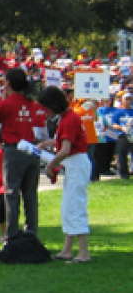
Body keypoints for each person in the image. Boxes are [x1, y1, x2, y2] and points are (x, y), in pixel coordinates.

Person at [37, 86, 92, 263]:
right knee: (69, 206)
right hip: (75, 163)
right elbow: (65, 140)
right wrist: (48, 143)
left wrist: (51, 165)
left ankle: (84, 252)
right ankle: (67, 249)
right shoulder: (68, 117)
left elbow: (65, 149)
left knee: (76, 206)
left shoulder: (68, 119)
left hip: (76, 163)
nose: (46, 111)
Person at [0, 68, 46, 237]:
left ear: (8, 83)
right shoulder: (33, 104)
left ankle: (12, 235)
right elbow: (41, 123)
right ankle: (31, 233)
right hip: (32, 150)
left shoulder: (4, 104)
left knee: (12, 193)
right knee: (30, 195)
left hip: (13, 151)